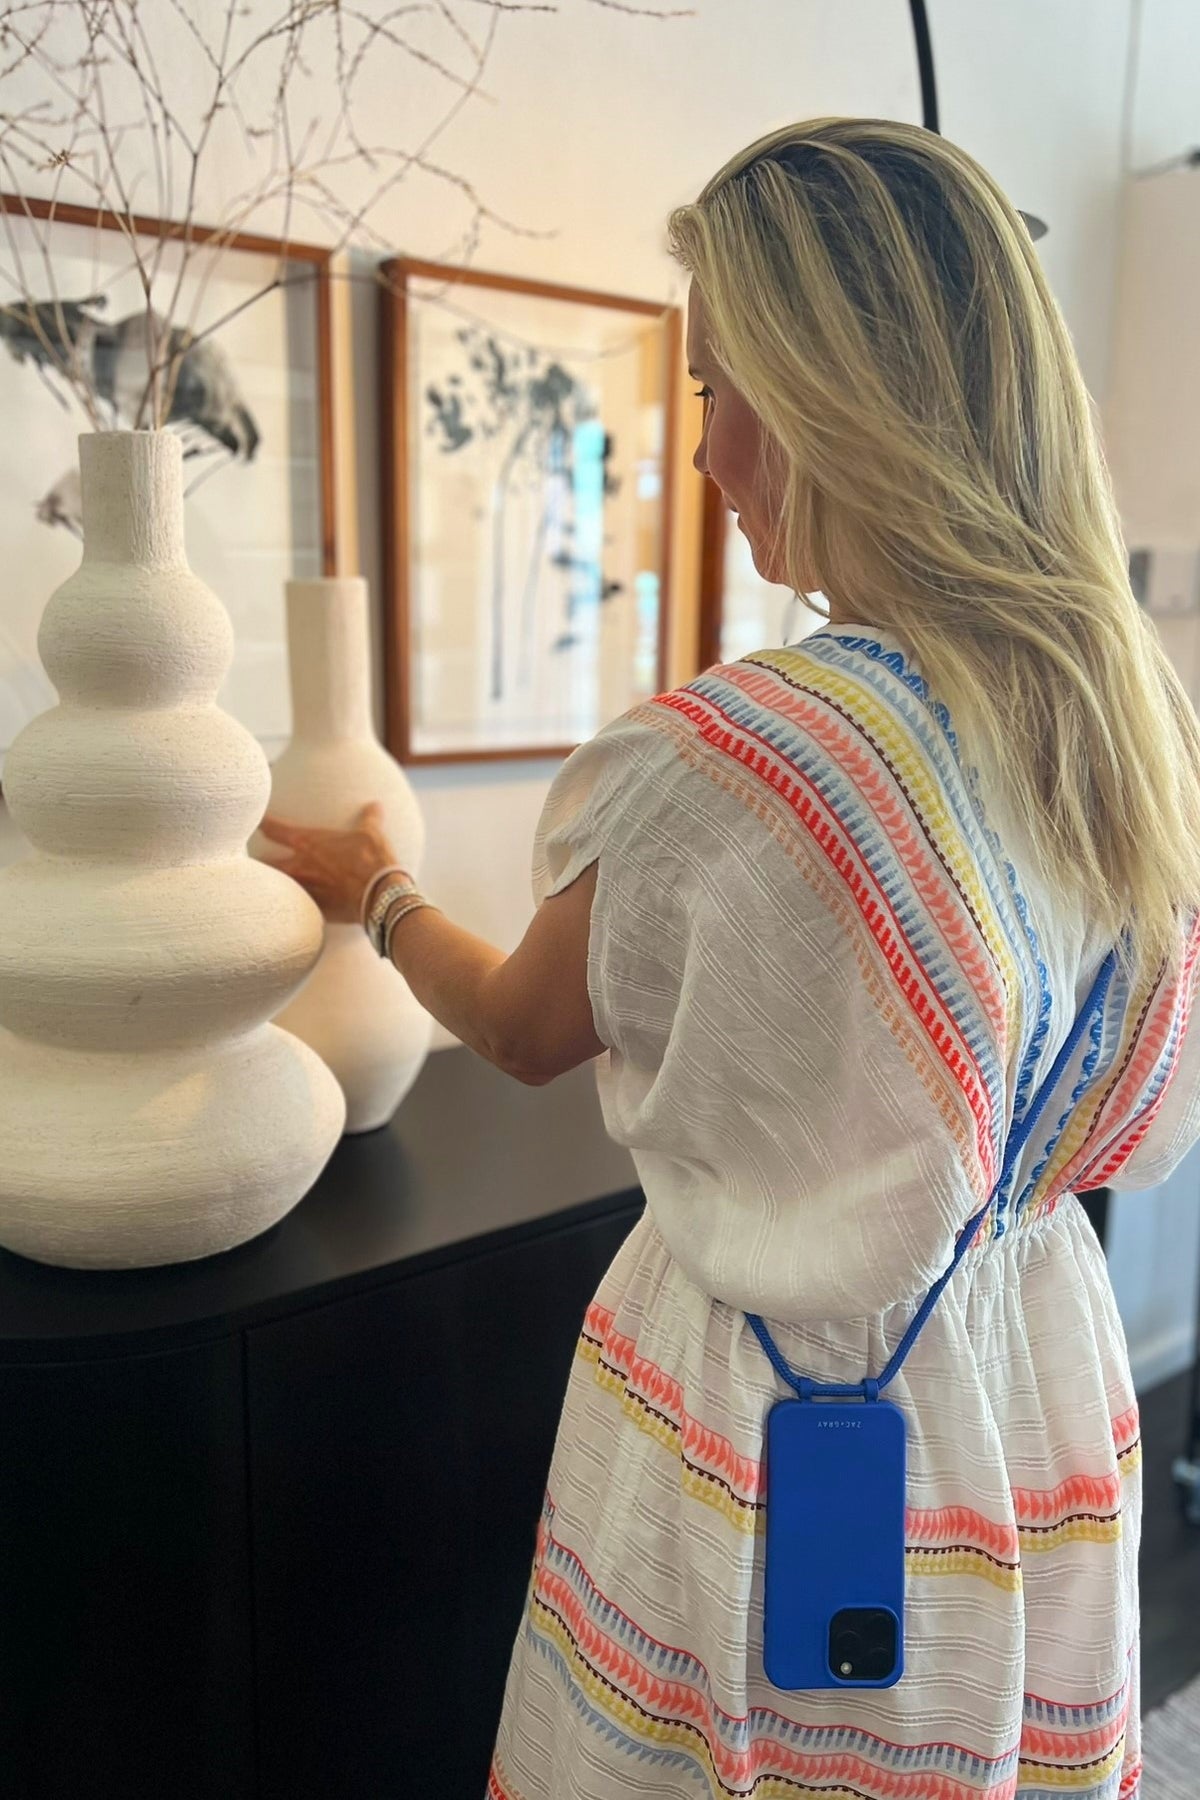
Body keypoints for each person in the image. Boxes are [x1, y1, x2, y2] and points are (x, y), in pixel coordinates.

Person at [259, 118, 1200, 1800]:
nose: (705, 455)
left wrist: (383, 892)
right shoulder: (1120, 723)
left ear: (830, 393)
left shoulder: (749, 756)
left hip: (773, 1395)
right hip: (1026, 1387)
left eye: (719, 390)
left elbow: (525, 1030)